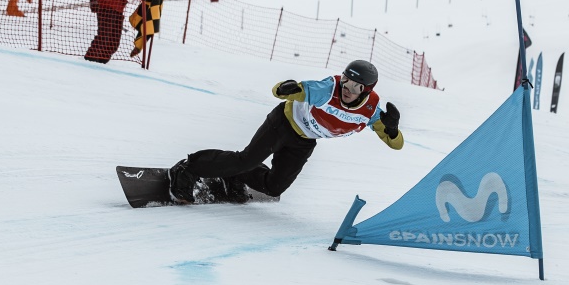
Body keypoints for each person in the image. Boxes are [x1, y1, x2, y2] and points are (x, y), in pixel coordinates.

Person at [167, 60, 404, 203]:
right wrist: (284, 88)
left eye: (355, 86)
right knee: (246, 159)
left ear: (366, 90)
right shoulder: (328, 88)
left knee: (274, 187)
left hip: (304, 141)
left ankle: (236, 175)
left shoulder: (371, 111)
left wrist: (392, 130)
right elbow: (286, 91)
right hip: (283, 123)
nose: (347, 89)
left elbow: (396, 145)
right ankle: (188, 168)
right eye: (345, 81)